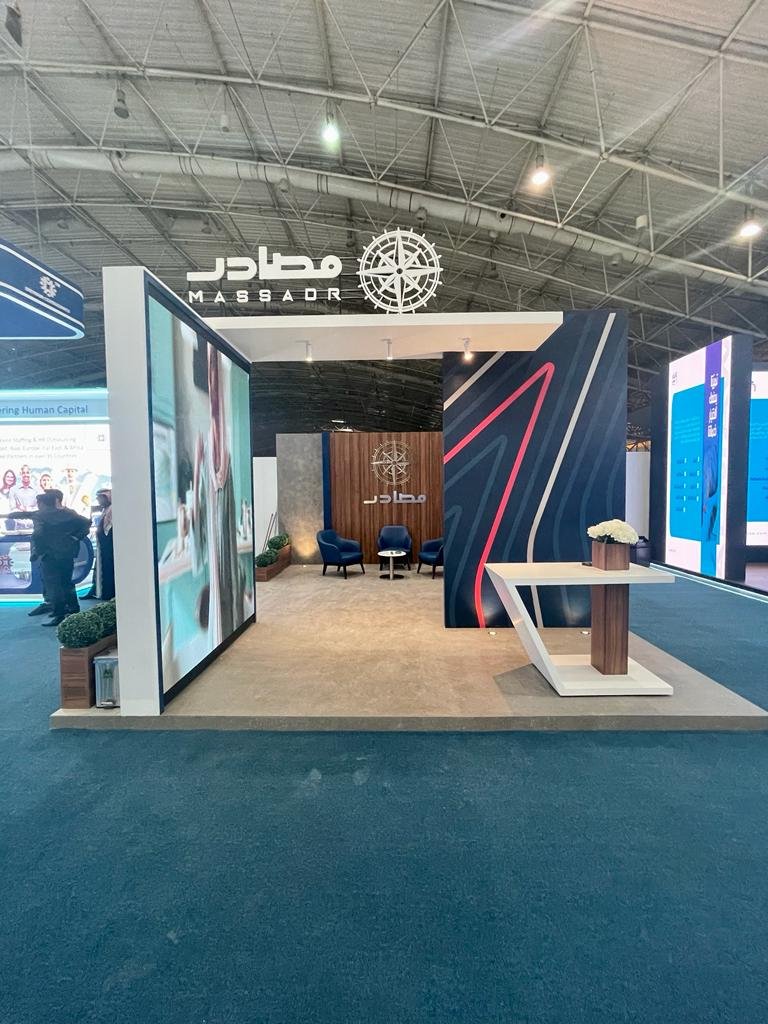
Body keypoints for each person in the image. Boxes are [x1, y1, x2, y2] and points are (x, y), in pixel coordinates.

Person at [30, 489, 91, 626]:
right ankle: (73, 609)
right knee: (67, 583)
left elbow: (38, 534)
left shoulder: (41, 515)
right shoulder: (68, 513)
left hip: (50, 554)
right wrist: (75, 538)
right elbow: (86, 523)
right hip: (66, 553)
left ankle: (59, 614)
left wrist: (37, 551)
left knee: (53, 585)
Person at [83, 488, 114, 601]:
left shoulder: (112, 510)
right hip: (103, 547)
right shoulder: (106, 510)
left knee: (108, 569)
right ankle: (97, 590)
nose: (98, 501)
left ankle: (107, 593)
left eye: (100, 498)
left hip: (109, 548)